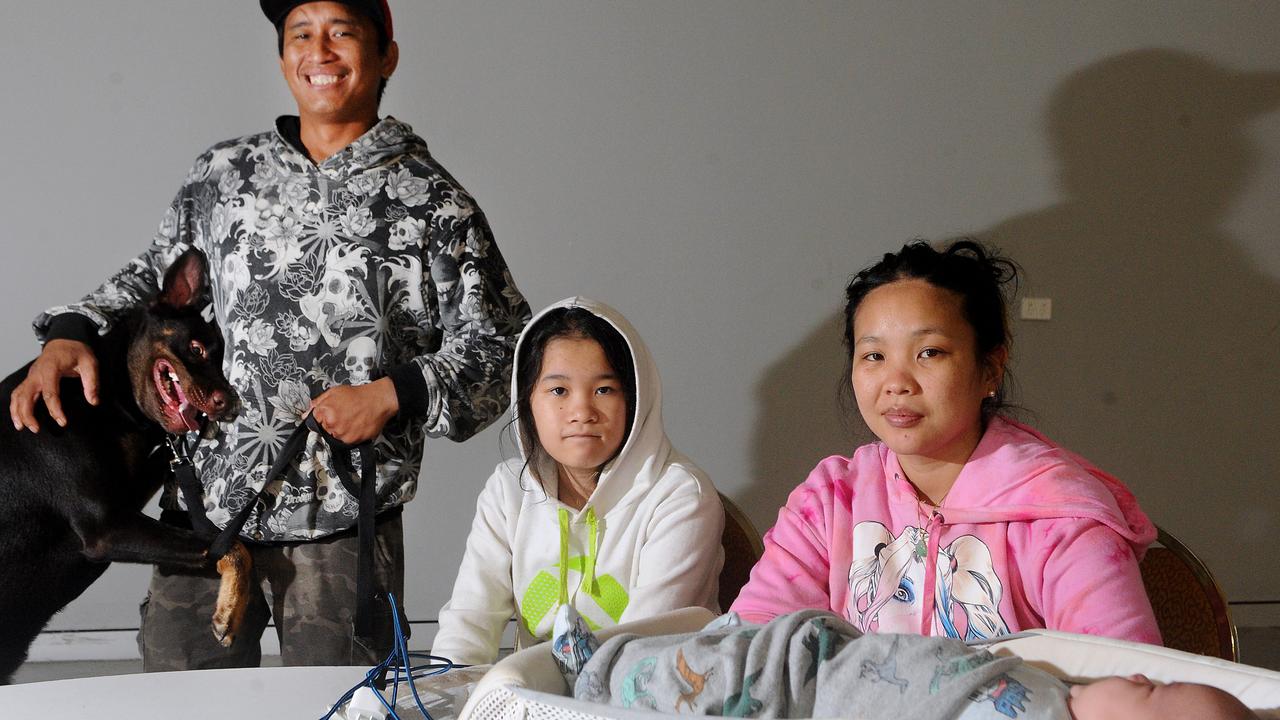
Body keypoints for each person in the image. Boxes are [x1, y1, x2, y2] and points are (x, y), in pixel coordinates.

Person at [8, 0, 530, 669]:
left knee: (336, 708)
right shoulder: (224, 175)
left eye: (342, 32)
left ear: (386, 56)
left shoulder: (433, 203)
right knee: (179, 704)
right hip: (205, 508)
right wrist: (71, 331)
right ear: (284, 56)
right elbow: (150, 282)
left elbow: (505, 343)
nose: (320, 51)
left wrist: (394, 393)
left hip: (340, 517)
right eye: (300, 35)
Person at [730, 240, 1160, 644]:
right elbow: (749, 650)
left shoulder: (1060, 517)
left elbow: (1123, 681)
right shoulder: (830, 502)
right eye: (874, 356)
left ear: (990, 368)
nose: (896, 383)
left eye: (929, 352)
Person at [431, 298, 724, 665]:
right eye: (559, 391)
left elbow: (641, 652)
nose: (582, 412)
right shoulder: (508, 491)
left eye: (605, 390)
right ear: (528, 402)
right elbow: (468, 624)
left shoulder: (680, 496)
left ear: (636, 399)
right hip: (532, 697)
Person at [558, 609, 1257, 720]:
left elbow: (1121, 638)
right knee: (732, 653)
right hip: (826, 656)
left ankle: (602, 669)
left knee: (712, 681)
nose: (1140, 677)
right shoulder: (1053, 687)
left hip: (805, 696)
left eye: (1154, 697)